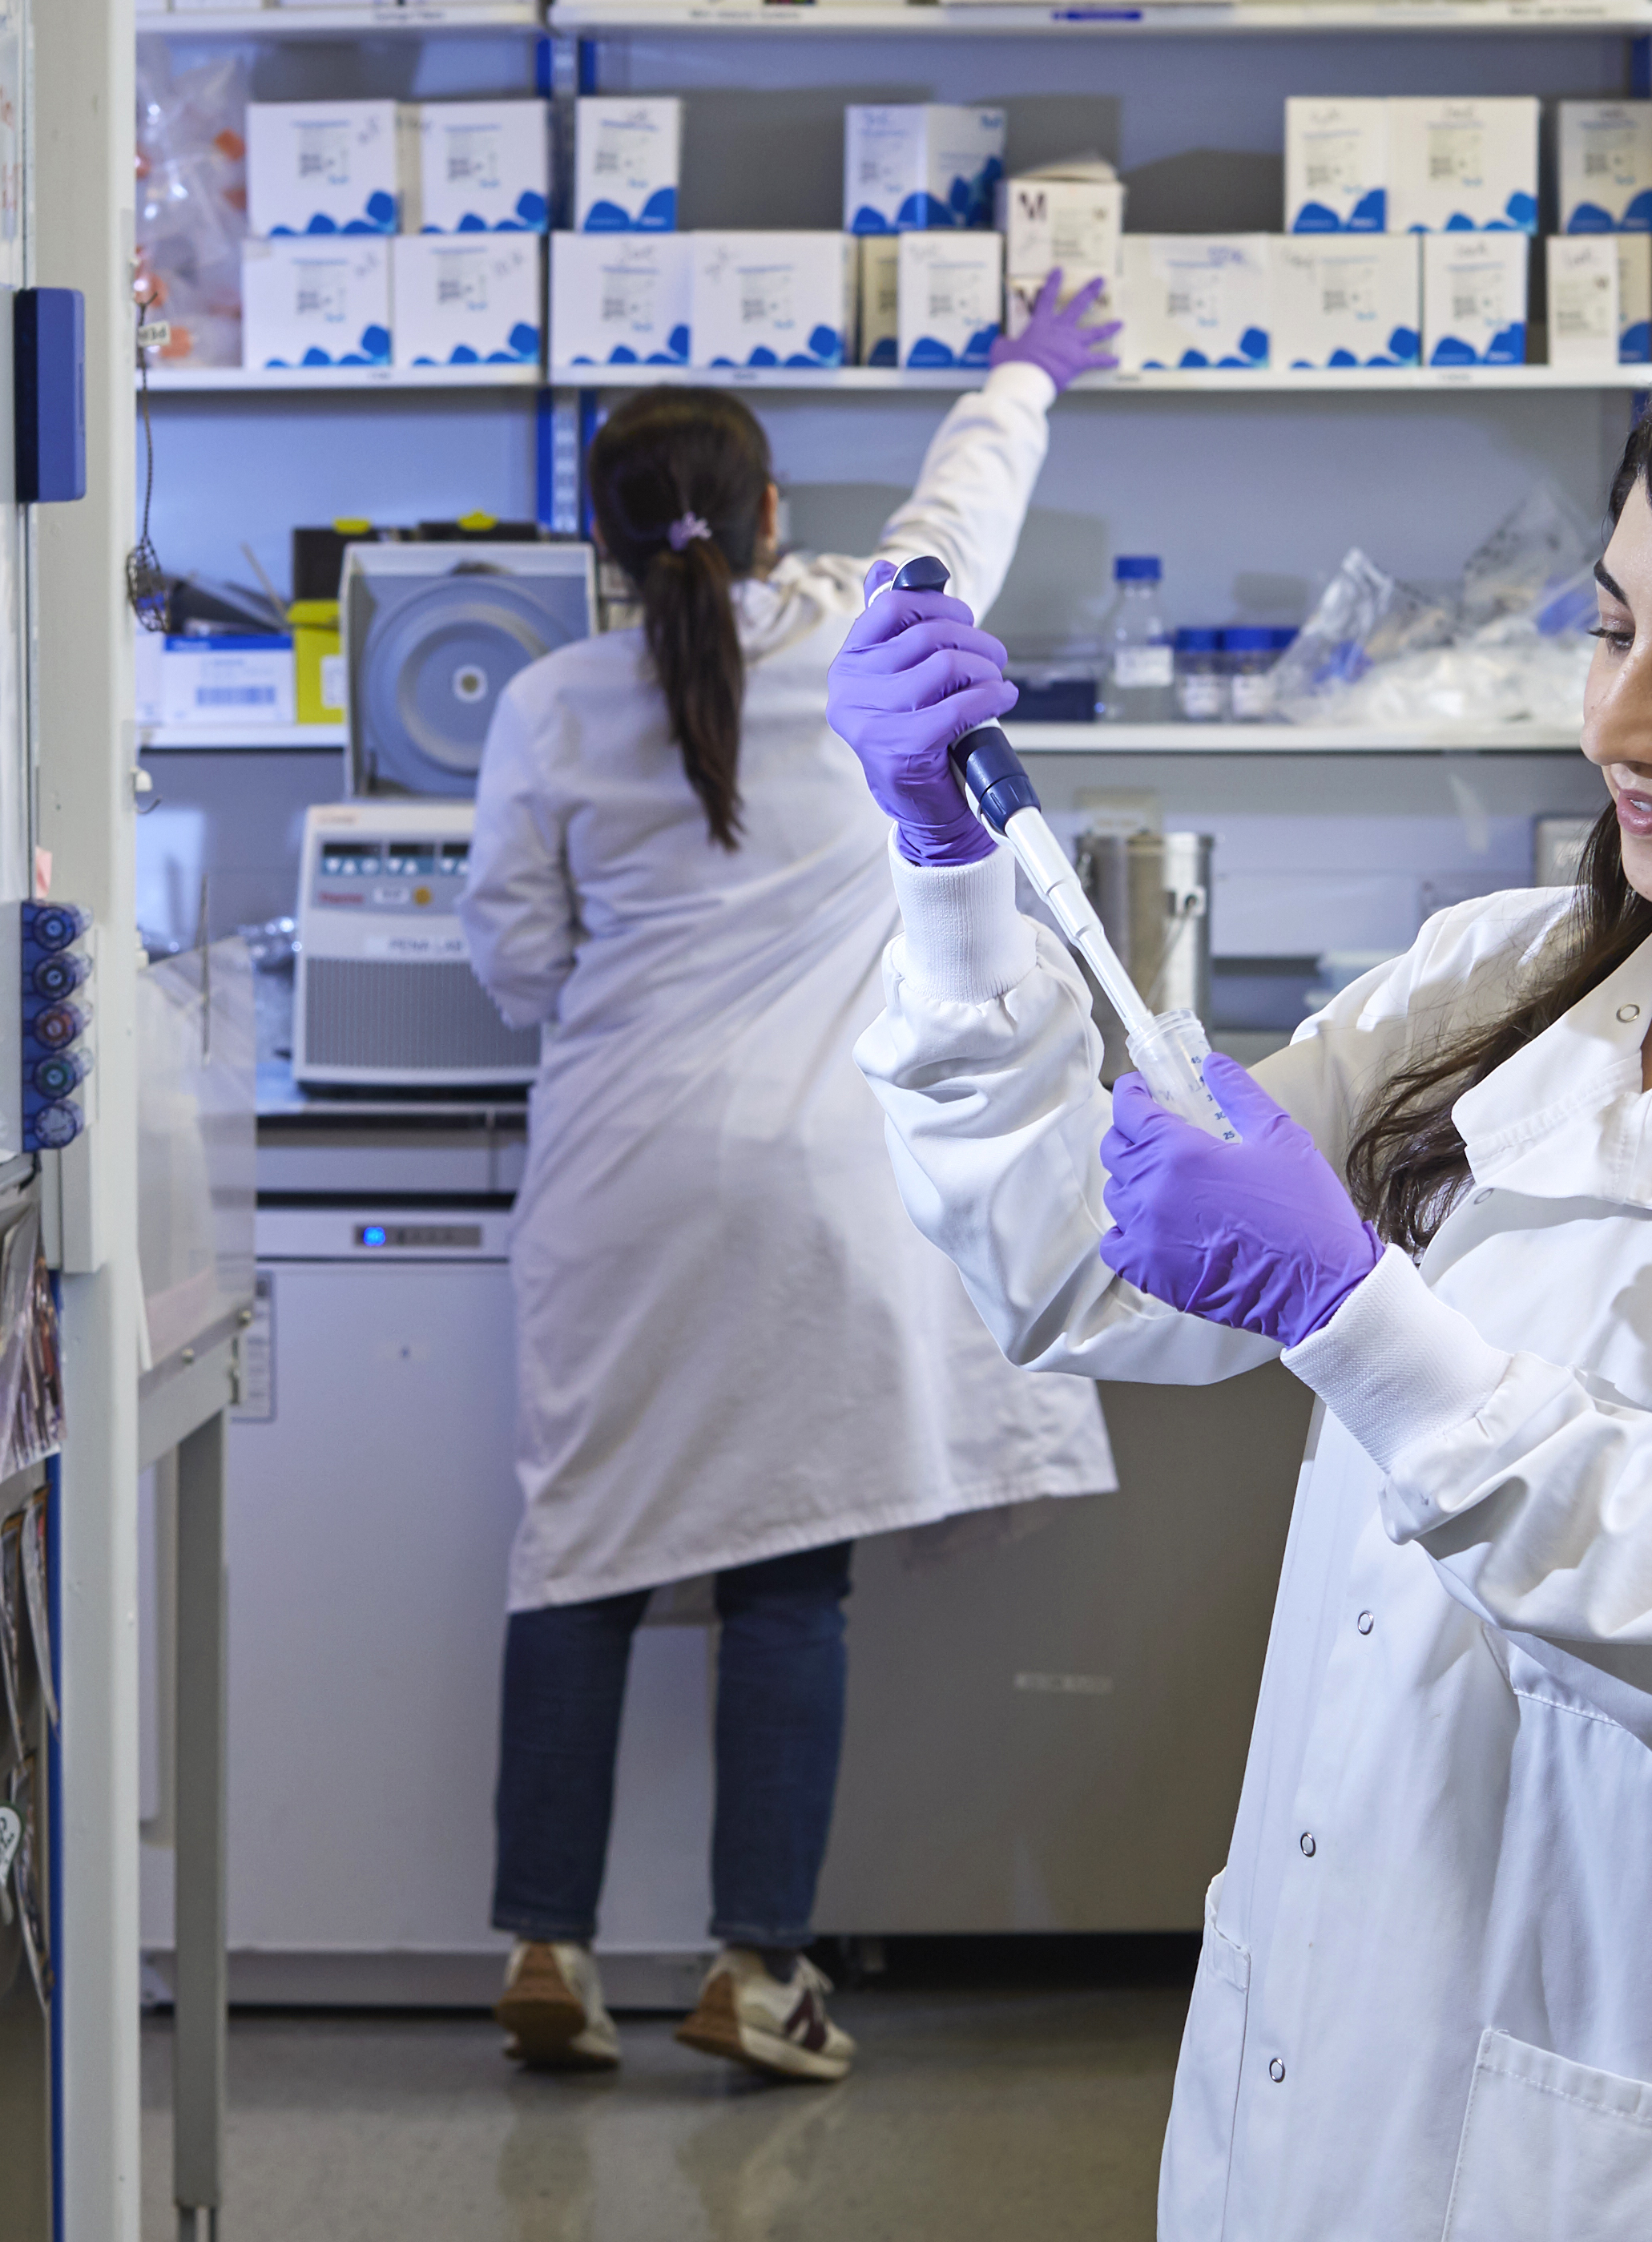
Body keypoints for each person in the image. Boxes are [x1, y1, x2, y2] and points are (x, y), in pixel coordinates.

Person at [829, 334, 1652, 2236]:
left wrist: (1356, 1318)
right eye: (1611, 629)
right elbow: (1071, 1260)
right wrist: (948, 869)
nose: (1616, 725)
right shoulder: (1504, 979)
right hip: (1310, 2079)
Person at [463, 274, 1128, 2085]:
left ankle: (547, 1941)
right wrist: (1026, 365)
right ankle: (760, 1972)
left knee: (582, 1550)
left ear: (596, 544)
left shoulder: (543, 703)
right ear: (769, 516)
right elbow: (960, 513)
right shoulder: (858, 633)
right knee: (784, 1566)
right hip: (823, 1185)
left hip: (618, 1169)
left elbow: (515, 960)